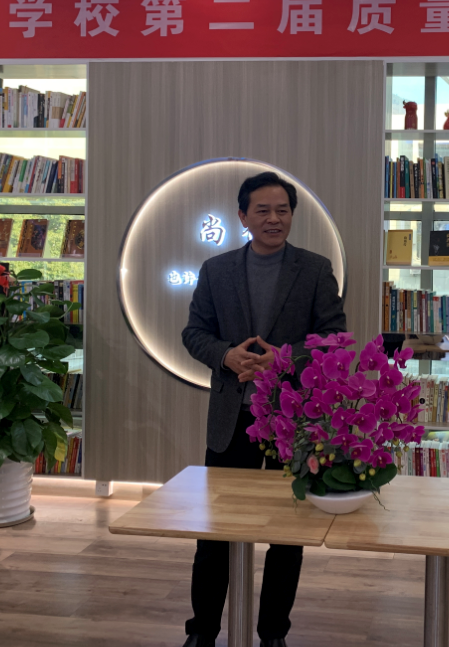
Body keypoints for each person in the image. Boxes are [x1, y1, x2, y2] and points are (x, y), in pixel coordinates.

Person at [180, 171, 346, 647]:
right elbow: (194, 333)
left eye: (283, 210)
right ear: (242, 216)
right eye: (263, 210)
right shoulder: (216, 270)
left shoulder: (314, 269)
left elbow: (334, 339)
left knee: (287, 536)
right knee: (214, 534)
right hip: (231, 420)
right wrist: (226, 355)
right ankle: (202, 631)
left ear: (292, 215)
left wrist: (286, 359)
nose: (274, 219)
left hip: (292, 424)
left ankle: (273, 633)